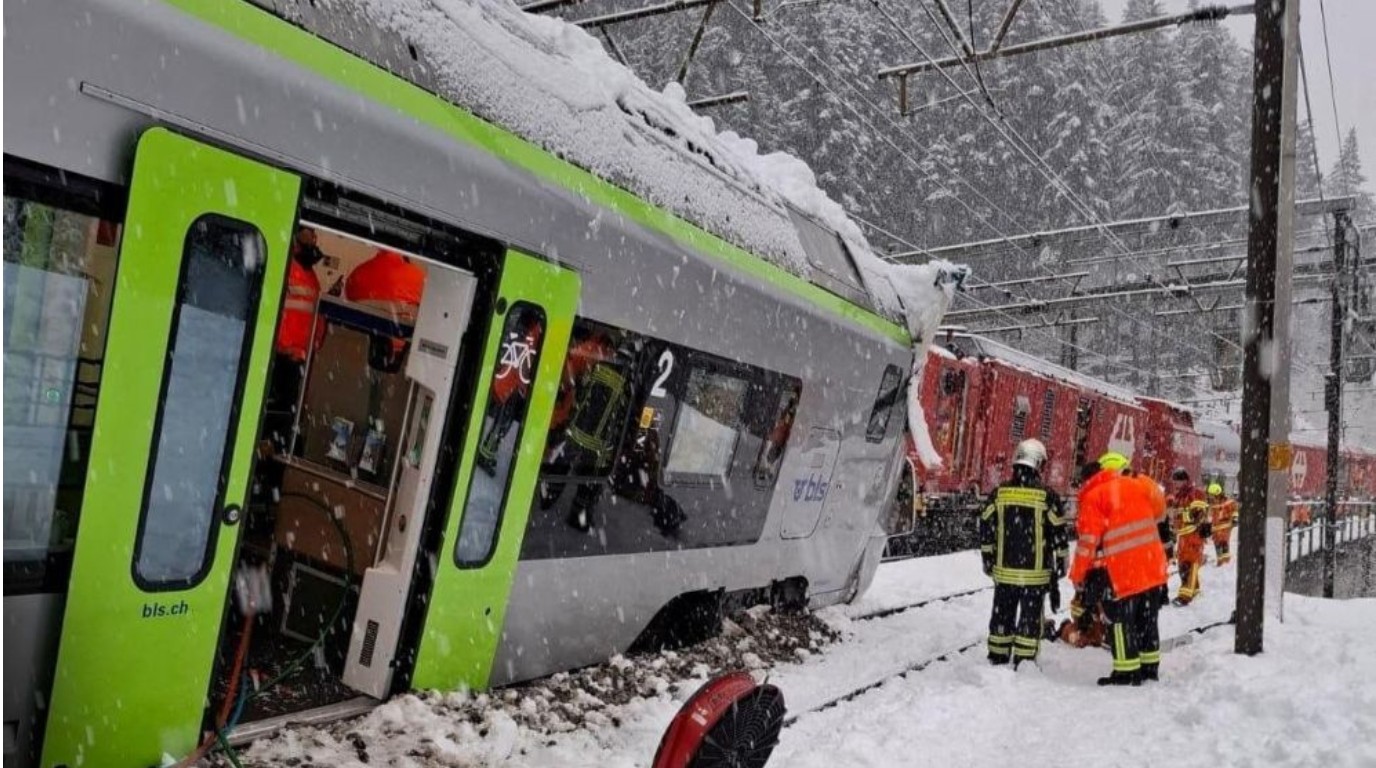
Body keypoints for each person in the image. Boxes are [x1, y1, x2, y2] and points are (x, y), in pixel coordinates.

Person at [1069, 451, 1170, 685]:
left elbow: (1087, 543)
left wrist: (1078, 575)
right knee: (1147, 620)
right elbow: (1160, 512)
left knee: (1120, 622)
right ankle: (1149, 669)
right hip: (1152, 566)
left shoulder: (1095, 496)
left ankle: (1126, 672)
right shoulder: (1140, 485)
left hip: (1122, 572)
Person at [979, 438, 1068, 668]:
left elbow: (985, 527)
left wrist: (988, 558)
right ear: (1039, 464)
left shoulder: (999, 494)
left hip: (1004, 571)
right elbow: (1059, 533)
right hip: (1034, 575)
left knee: (1002, 615)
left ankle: (997, 655)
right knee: (1029, 619)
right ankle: (1024, 660)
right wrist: (1061, 562)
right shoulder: (1047, 497)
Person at [1173, 499, 1211, 605]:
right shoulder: (1186, 523)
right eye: (1203, 513)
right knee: (1186, 575)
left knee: (1189, 575)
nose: (1204, 516)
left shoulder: (1198, 525)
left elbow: (1199, 538)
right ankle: (1190, 593)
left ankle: (1186, 596)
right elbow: (1183, 532)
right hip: (1186, 554)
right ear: (1197, 512)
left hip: (1192, 554)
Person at [1207, 482, 1238, 566]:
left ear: (1216, 494)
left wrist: (1235, 518)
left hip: (1224, 529)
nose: (1210, 497)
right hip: (1215, 531)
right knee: (1218, 546)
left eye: (1211, 495)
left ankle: (1225, 563)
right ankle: (1220, 563)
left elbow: (1235, 510)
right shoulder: (1212, 505)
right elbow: (1210, 516)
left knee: (1224, 544)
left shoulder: (1228, 502)